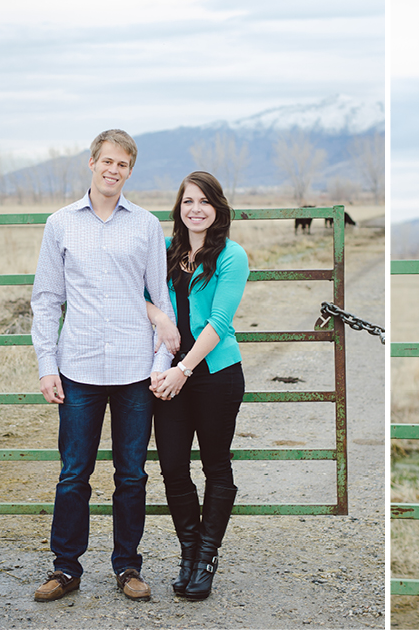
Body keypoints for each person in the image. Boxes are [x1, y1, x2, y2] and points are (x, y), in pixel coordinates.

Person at [30, 129, 175, 602]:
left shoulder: (147, 226)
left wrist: (160, 362)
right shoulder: (61, 224)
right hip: (78, 369)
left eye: (123, 165)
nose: (114, 170)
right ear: (91, 163)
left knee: (131, 474)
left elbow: (161, 301)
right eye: (107, 161)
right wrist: (47, 366)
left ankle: (127, 568)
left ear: (130, 171)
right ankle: (65, 570)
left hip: (136, 372)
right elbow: (47, 301)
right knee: (74, 472)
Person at [145, 171, 249, 600]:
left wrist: (183, 369)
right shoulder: (168, 252)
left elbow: (219, 324)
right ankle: (188, 553)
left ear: (217, 208)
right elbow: (141, 295)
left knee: (215, 466)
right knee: (172, 466)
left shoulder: (231, 255)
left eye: (204, 201)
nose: (196, 209)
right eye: (188, 201)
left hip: (214, 375)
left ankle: (207, 556)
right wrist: (160, 318)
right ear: (179, 209)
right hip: (171, 372)